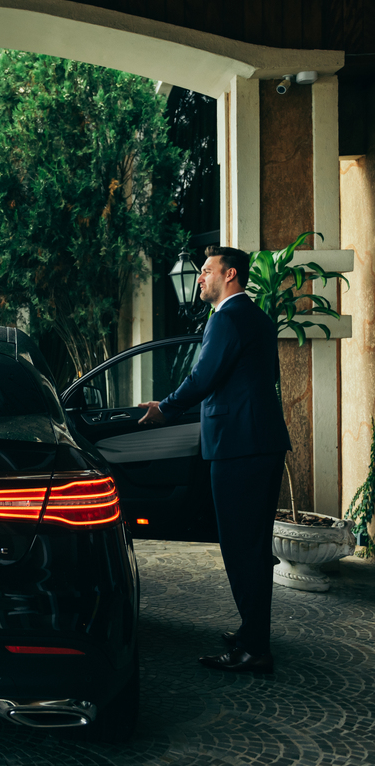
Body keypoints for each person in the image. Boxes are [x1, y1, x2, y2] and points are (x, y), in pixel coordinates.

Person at [138, 245, 291, 674]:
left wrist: (165, 407)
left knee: (241, 546)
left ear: (232, 275)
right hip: (260, 441)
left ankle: (254, 649)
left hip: (239, 445)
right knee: (255, 547)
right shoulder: (258, 318)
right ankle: (252, 631)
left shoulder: (226, 318)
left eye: (207, 271)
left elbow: (203, 376)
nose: (200, 278)